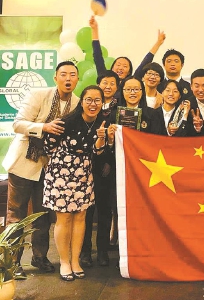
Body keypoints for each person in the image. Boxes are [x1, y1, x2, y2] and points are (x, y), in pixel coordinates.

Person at [2, 61, 80, 279]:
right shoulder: (38, 95)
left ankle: (39, 256)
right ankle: (11, 261)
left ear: (77, 79)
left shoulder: (77, 103)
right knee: (16, 214)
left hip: (51, 166)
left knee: (43, 214)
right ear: (55, 78)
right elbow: (18, 124)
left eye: (72, 74)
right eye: (63, 74)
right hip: (24, 162)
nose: (68, 78)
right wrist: (43, 127)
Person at [43, 85, 111, 281]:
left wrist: (101, 139)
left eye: (97, 100)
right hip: (61, 174)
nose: (93, 104)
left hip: (84, 173)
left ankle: (75, 261)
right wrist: (62, 163)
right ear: (81, 102)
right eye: (89, 100)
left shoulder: (102, 123)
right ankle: (64, 262)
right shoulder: (66, 121)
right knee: (64, 218)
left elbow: (98, 152)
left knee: (81, 217)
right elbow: (48, 146)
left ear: (102, 103)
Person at [80, 70, 120, 268]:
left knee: (104, 211)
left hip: (105, 170)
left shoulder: (116, 112)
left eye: (112, 83)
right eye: (105, 82)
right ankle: (85, 251)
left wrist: (108, 162)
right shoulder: (81, 115)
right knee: (86, 213)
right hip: (83, 172)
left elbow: (114, 144)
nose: (108, 86)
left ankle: (102, 251)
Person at [89, 15, 166, 94]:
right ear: (112, 68)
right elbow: (98, 57)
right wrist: (95, 30)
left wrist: (158, 43)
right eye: (118, 65)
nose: (121, 68)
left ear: (129, 72)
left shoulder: (131, 83)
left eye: (125, 66)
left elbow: (145, 62)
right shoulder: (104, 77)